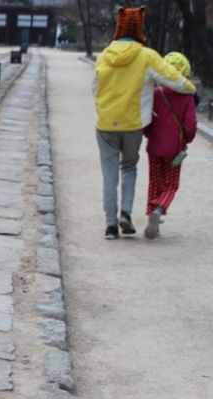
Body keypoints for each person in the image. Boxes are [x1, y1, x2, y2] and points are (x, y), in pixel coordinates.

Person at [93, 6, 196, 240]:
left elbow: (95, 89)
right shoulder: (146, 55)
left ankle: (110, 226)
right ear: (139, 26)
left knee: (109, 174)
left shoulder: (103, 55)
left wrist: (104, 110)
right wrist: (191, 89)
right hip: (133, 125)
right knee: (128, 167)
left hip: (106, 123)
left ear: (118, 26)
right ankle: (125, 215)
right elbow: (173, 79)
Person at [143, 52, 198, 239]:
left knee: (155, 182)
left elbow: (147, 117)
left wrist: (149, 134)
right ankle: (159, 209)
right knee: (171, 185)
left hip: (155, 146)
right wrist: (187, 140)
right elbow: (190, 125)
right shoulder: (187, 97)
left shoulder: (157, 94)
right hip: (175, 149)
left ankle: (152, 214)